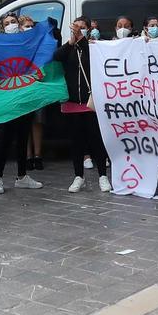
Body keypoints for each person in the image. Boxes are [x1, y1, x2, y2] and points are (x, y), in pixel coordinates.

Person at [53, 17, 110, 193]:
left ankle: (103, 176)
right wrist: (71, 42)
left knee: (96, 140)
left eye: (82, 27)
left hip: (90, 102)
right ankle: (79, 176)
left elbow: (94, 59)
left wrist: (82, 40)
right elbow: (56, 57)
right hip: (72, 102)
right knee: (76, 142)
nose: (78, 30)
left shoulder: (93, 46)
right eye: (76, 27)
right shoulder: (68, 47)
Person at [19, 15, 46, 170]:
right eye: (26, 26)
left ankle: (38, 155)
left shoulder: (38, 42)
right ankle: (27, 156)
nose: (29, 28)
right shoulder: (14, 43)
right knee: (24, 123)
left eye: (31, 25)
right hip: (20, 88)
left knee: (37, 121)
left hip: (36, 86)